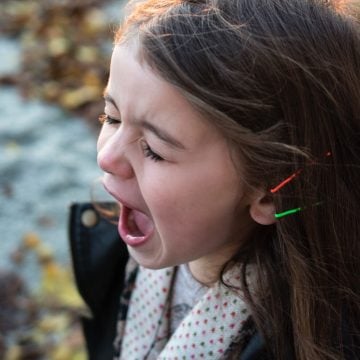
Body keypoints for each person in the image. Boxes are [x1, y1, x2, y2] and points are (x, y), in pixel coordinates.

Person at [69, 0, 360, 359]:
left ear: (271, 194)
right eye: (110, 118)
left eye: (155, 150)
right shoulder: (118, 260)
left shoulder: (318, 342)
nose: (106, 157)